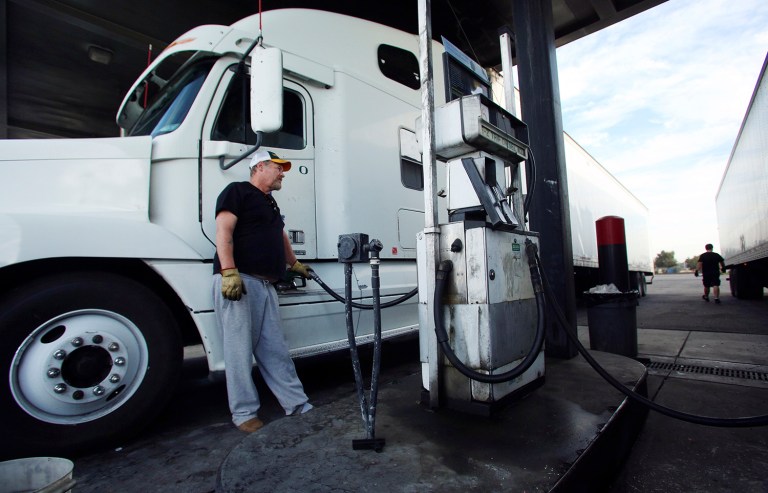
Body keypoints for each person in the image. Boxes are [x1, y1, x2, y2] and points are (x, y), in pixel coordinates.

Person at [212, 149, 314, 433]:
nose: (283, 174)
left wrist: (294, 263)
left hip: (266, 284)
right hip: (240, 281)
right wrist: (228, 271)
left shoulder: (270, 204)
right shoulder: (238, 191)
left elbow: (280, 236)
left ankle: (297, 404)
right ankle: (244, 413)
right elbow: (224, 230)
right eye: (278, 168)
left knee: (275, 349)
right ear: (259, 167)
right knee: (238, 351)